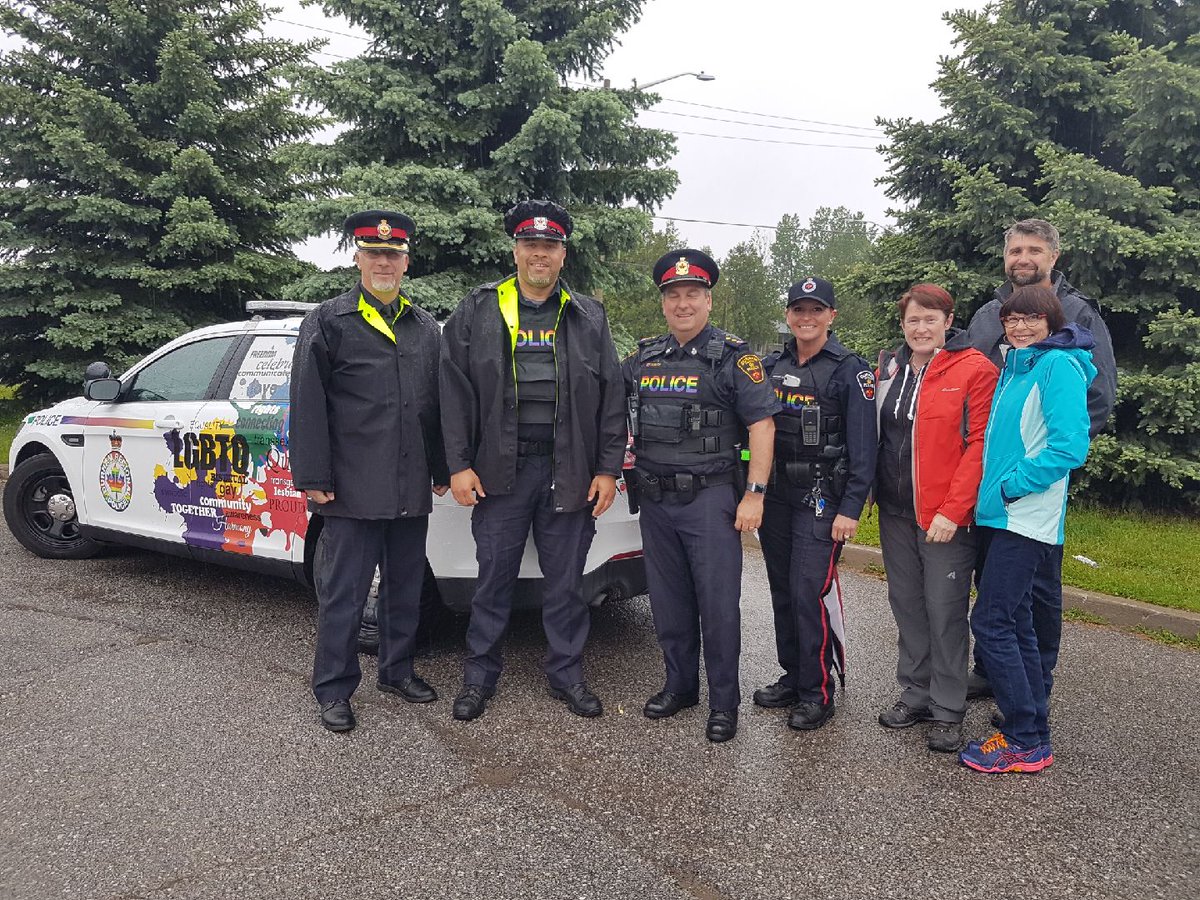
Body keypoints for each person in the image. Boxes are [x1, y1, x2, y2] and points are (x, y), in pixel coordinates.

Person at [440, 200, 626, 722]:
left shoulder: (587, 316)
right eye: (530, 245)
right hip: (500, 472)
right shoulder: (480, 308)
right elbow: (452, 391)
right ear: (516, 251)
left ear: (562, 255)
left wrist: (607, 469)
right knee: (492, 580)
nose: (539, 254)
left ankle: (567, 675)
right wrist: (457, 464)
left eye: (549, 246)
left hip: (569, 472)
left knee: (566, 584)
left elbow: (612, 395)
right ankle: (478, 678)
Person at [290, 210, 449, 733]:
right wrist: (313, 475)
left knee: (405, 588)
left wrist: (443, 467)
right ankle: (334, 688)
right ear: (358, 259)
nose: (384, 263)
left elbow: (435, 406)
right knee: (345, 594)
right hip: (351, 488)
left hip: (409, 483)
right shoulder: (329, 321)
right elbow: (307, 401)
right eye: (375, 254)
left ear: (406, 263)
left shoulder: (424, 327)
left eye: (393, 255)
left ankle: (397, 671)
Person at [623, 249, 776, 743]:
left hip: (710, 501)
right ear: (664, 303)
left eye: (692, 294)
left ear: (708, 301)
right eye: (674, 295)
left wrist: (755, 494)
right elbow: (603, 399)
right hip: (655, 501)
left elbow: (762, 425)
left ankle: (724, 703)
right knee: (669, 602)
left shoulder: (733, 358)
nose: (682, 303)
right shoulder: (644, 358)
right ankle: (680, 686)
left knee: (718, 605)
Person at [964, 218, 1117, 701]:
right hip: (989, 478)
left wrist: (1043, 466)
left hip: (1035, 482)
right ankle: (992, 670)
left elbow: (1097, 397)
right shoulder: (989, 314)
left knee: (1039, 588)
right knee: (991, 578)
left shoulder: (1078, 313)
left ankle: (1036, 686)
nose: (1023, 259)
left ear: (1054, 256)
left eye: (1034, 250)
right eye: (1015, 251)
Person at [960, 285, 1096, 773]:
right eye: (1012, 319)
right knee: (1015, 623)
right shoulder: (1017, 368)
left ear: (1051, 322)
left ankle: (1023, 738)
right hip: (1003, 515)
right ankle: (1032, 731)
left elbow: (1069, 446)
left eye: (1031, 319)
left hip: (1025, 518)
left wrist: (1013, 487)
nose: (1019, 327)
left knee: (991, 622)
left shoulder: (1057, 365)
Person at [873, 284, 997, 752]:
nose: (921, 328)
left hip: (944, 517)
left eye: (930, 319)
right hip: (895, 511)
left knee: (944, 611)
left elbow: (980, 444)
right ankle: (916, 693)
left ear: (948, 321)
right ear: (902, 324)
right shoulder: (891, 368)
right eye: (913, 320)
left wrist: (953, 510)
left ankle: (947, 708)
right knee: (907, 604)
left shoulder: (974, 369)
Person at [753, 277, 877, 731]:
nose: (807, 318)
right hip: (777, 497)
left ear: (831, 316)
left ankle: (817, 692)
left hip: (822, 498)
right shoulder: (771, 365)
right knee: (783, 590)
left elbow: (865, 447)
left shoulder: (851, 370)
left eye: (816, 310)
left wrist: (851, 508)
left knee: (808, 592)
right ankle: (793, 676)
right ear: (788, 315)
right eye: (799, 310)